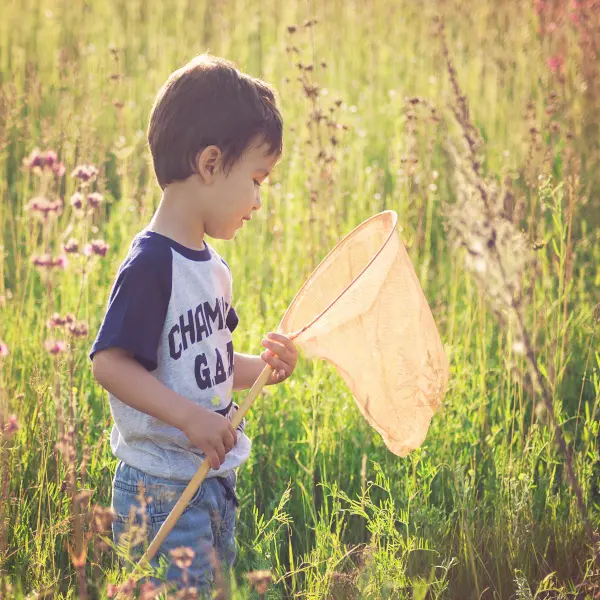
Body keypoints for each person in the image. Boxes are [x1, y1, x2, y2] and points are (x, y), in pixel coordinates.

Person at [90, 53, 298, 594]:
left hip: (210, 484)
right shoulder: (152, 263)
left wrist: (265, 368)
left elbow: (210, 364)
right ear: (209, 164)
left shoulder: (211, 267)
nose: (257, 201)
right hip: (159, 492)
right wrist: (189, 419)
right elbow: (110, 364)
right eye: (256, 179)